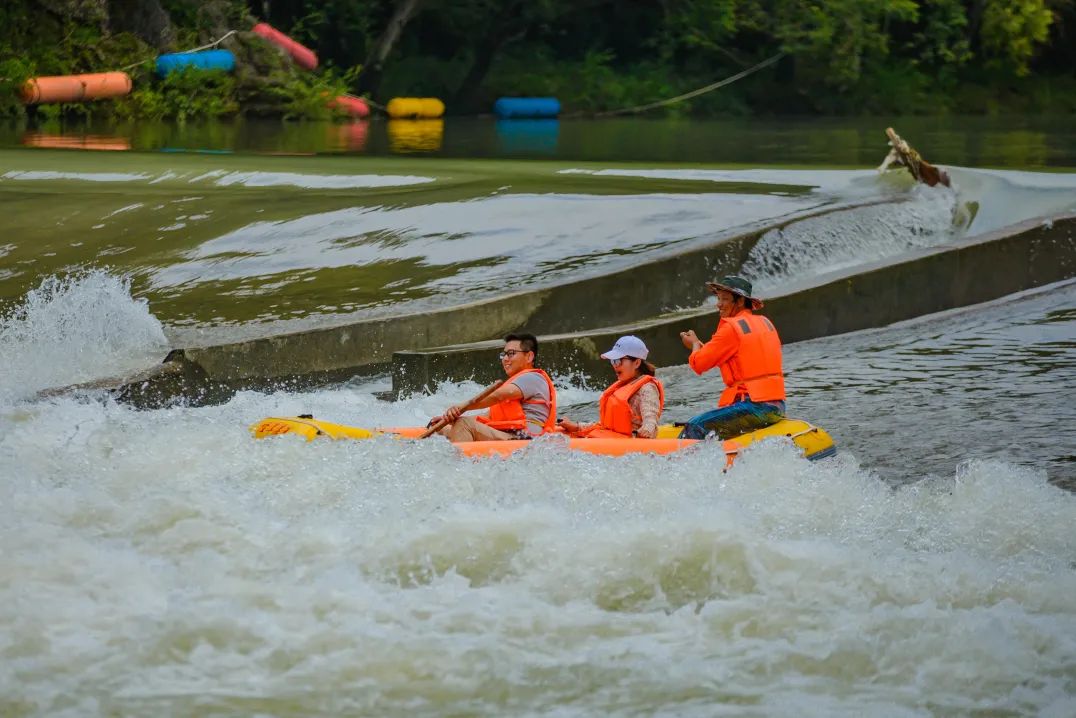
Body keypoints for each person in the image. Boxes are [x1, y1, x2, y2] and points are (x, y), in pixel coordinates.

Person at [677, 276, 785, 440]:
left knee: (694, 427)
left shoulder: (731, 329)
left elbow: (699, 363)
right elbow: (730, 355)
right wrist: (698, 345)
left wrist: (693, 345)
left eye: (724, 299)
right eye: (718, 298)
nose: (719, 304)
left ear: (740, 301)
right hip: (776, 405)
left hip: (754, 406)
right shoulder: (765, 322)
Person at [432, 333, 557, 442]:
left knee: (463, 424)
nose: (505, 359)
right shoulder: (517, 382)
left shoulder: (533, 378)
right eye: (504, 355)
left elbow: (497, 396)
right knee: (442, 429)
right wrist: (450, 420)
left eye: (511, 354)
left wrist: (459, 408)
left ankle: (459, 466)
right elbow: (489, 416)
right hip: (509, 435)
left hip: (525, 440)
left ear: (529, 356)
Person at [559, 335, 664, 439]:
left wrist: (638, 435)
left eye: (618, 360)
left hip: (631, 445)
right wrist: (577, 427)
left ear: (636, 363)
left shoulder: (648, 389)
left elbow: (650, 425)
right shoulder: (622, 386)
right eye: (613, 361)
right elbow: (606, 426)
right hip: (615, 440)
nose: (615, 365)